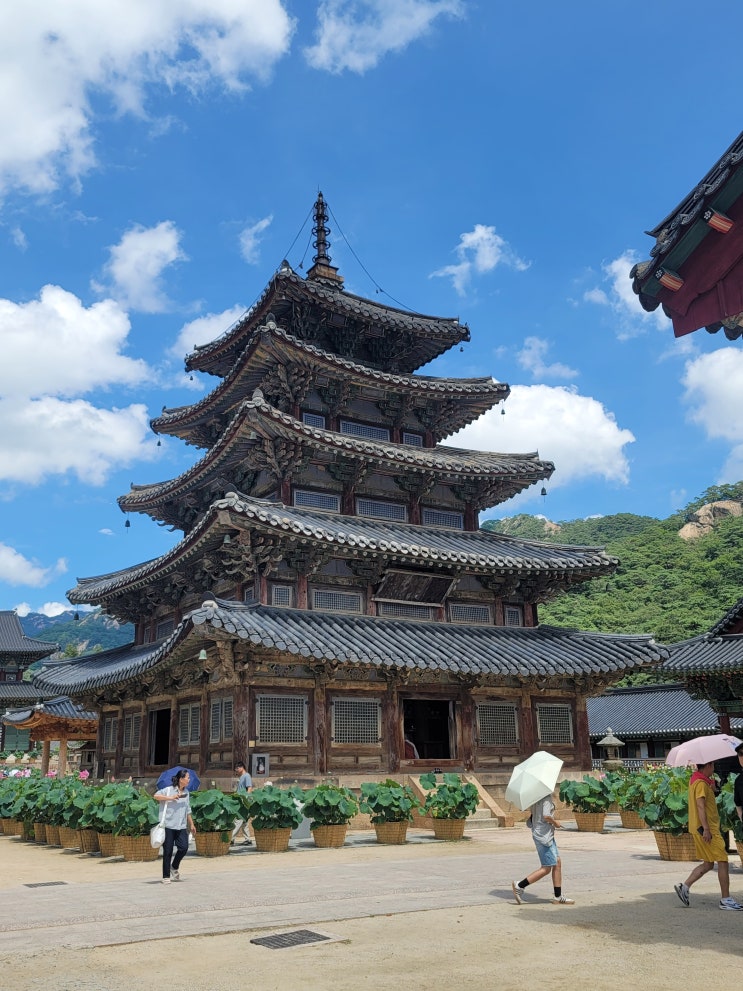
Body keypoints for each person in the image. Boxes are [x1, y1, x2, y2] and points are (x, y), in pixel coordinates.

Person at [674, 760, 742, 910]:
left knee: (708, 863)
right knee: (722, 860)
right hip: (707, 829)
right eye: (713, 766)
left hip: (699, 828)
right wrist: (706, 829)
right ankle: (726, 899)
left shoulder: (697, 780)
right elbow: (700, 806)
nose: (714, 769)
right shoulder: (701, 784)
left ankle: (684, 887)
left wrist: (712, 788)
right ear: (708, 765)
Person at [512, 790, 574, 905]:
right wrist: (555, 823)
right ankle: (519, 885)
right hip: (544, 837)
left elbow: (533, 816)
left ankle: (558, 896)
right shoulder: (546, 798)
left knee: (557, 862)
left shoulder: (535, 798)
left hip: (544, 834)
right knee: (546, 868)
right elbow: (546, 816)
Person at [154, 768, 196, 884]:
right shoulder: (168, 790)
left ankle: (174, 866)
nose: (189, 780)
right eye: (187, 778)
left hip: (181, 825)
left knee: (184, 848)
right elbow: (156, 796)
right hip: (168, 825)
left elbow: (188, 809)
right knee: (168, 851)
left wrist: (192, 824)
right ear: (181, 779)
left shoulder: (187, 793)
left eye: (189, 778)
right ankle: (166, 876)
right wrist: (170, 798)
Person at [231, 759, 253, 846]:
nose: (236, 770)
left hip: (243, 801)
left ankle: (230, 839)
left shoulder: (247, 776)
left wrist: (246, 799)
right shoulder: (241, 777)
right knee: (244, 821)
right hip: (240, 800)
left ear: (242, 767)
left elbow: (249, 788)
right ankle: (248, 839)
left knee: (238, 820)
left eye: (237, 768)